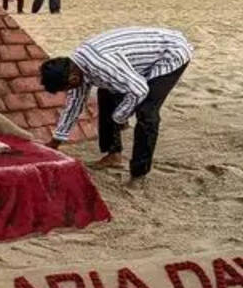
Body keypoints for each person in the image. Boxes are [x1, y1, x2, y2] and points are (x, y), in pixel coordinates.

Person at [39, 27, 193, 180]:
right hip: (140, 56)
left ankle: (139, 173)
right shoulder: (75, 67)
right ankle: (114, 155)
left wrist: (119, 117)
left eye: (67, 88)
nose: (70, 91)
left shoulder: (101, 65)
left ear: (72, 79)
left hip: (170, 52)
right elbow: (74, 105)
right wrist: (55, 142)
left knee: (146, 112)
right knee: (105, 93)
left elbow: (139, 90)